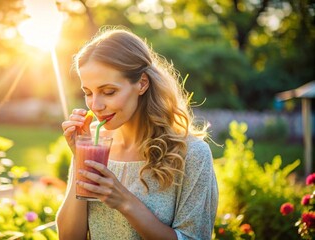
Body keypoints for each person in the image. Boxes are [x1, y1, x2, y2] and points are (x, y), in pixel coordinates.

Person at [56, 26, 218, 240]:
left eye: (108, 92)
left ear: (141, 83)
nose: (95, 105)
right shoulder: (91, 142)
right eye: (88, 93)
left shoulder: (191, 154)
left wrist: (125, 201)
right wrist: (80, 159)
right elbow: (69, 237)